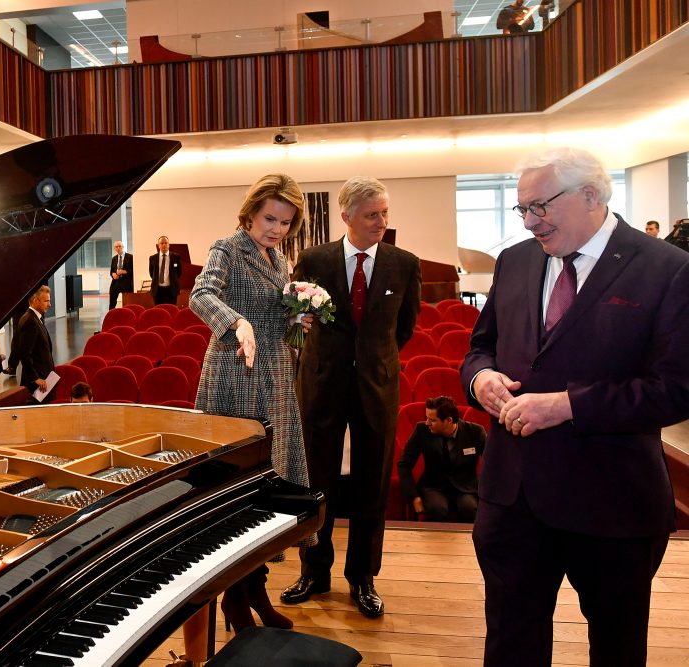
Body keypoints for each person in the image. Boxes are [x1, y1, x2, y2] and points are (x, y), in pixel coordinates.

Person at [462, 146, 689, 666]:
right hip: (512, 498)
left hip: (612, 501)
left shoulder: (667, 269)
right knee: (511, 643)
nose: (530, 222)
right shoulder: (515, 261)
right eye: (522, 210)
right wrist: (480, 380)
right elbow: (481, 346)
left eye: (540, 206)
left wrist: (569, 406)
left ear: (591, 195)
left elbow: (678, 388)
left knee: (616, 647)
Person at [281, 176, 421, 619]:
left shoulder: (404, 264)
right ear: (346, 217)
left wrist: (372, 360)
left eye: (384, 213)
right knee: (315, 480)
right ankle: (314, 572)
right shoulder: (314, 260)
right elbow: (296, 317)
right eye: (371, 215)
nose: (381, 221)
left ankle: (363, 576)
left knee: (371, 484)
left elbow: (405, 329)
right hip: (321, 383)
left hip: (377, 387)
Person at [190, 173, 312, 633]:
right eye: (269, 218)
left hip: (276, 375)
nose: (276, 228)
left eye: (285, 221)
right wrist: (236, 322)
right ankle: (233, 599)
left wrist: (300, 320)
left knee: (269, 484)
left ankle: (254, 586)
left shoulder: (279, 260)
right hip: (235, 376)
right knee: (239, 487)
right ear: (251, 212)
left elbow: (278, 317)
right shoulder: (228, 247)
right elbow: (202, 294)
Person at [396, 396, 486, 523]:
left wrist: (486, 495)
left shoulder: (476, 432)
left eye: (432, 420)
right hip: (433, 487)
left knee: (469, 508)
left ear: (448, 420)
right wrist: (414, 497)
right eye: (426, 418)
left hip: (466, 488)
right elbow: (404, 465)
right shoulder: (422, 430)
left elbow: (492, 465)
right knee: (436, 508)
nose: (427, 423)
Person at [7, 285, 56, 404]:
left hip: (43, 378)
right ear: (35, 301)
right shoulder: (30, 321)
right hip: (39, 382)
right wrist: (35, 378)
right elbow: (25, 353)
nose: (49, 305)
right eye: (46, 301)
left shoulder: (34, 318)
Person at [148, 235, 182, 305]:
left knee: (172, 311)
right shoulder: (152, 258)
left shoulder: (176, 257)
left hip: (171, 290)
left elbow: (179, 272)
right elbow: (152, 273)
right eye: (162, 243)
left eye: (166, 243)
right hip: (158, 291)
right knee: (158, 312)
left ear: (169, 245)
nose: (164, 245)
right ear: (158, 245)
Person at [108, 240, 133, 309]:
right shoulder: (114, 258)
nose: (118, 248)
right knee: (112, 301)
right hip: (116, 282)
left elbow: (133, 270)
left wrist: (124, 271)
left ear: (123, 247)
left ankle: (127, 314)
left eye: (120, 246)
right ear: (114, 248)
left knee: (128, 302)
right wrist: (113, 274)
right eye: (116, 247)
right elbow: (111, 271)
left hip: (127, 282)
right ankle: (111, 314)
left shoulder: (130, 257)